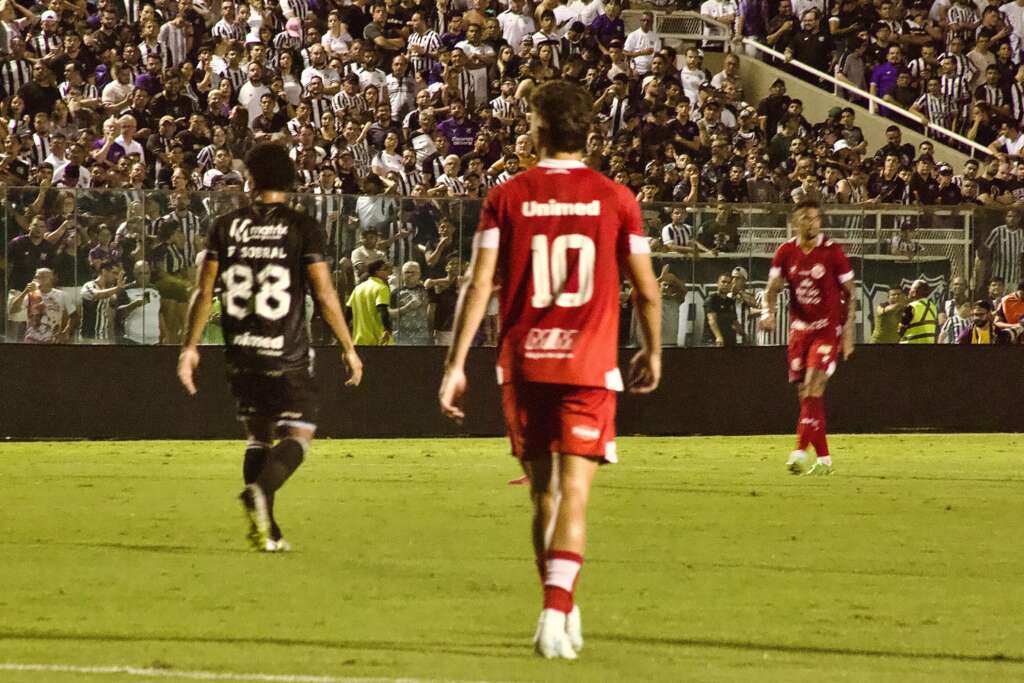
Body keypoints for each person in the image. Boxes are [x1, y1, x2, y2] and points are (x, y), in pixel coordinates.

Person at [437, 80, 662, 660]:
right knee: (575, 497)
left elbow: (479, 282)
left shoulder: (507, 195)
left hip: (525, 362)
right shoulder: (617, 199)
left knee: (543, 497)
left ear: (537, 131)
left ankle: (557, 605)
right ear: (588, 133)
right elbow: (647, 290)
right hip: (588, 364)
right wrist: (652, 349)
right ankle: (557, 609)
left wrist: (455, 363)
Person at [176, 142, 363, 553]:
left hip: (240, 351)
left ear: (251, 179)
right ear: (291, 182)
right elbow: (325, 292)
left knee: (258, 434)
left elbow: (203, 291)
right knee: (300, 432)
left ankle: (268, 529)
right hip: (286, 351)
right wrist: (349, 346)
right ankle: (259, 497)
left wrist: (190, 346)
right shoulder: (301, 226)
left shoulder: (225, 225)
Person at [759, 200, 856, 476]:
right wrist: (768, 312)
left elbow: (851, 292)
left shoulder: (832, 251)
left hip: (827, 329)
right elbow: (772, 288)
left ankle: (799, 452)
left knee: (813, 384)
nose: (812, 223)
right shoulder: (785, 252)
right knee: (807, 394)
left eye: (816, 218)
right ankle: (824, 460)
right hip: (799, 331)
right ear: (796, 222)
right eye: (806, 218)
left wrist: (848, 332)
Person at [346, 258, 393, 345]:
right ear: (376, 272)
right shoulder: (382, 288)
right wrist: (387, 329)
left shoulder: (358, 288)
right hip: (378, 341)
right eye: (385, 269)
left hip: (359, 341)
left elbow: (348, 312)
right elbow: (382, 310)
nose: (389, 272)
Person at [898, 279, 938, 344]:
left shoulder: (911, 307)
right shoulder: (933, 307)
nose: (909, 291)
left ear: (914, 292)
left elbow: (900, 331)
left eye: (911, 289)